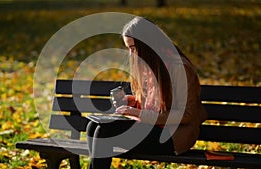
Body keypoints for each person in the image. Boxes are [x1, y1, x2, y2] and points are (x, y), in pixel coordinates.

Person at [86, 17, 208, 169]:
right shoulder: (151, 65)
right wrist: (131, 101)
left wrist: (138, 113)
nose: (131, 53)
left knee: (105, 130)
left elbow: (186, 115)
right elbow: (154, 104)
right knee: (93, 126)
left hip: (171, 135)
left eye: (133, 47)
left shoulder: (178, 68)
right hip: (150, 128)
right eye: (128, 48)